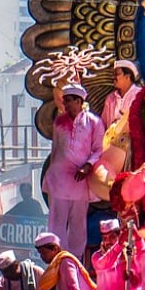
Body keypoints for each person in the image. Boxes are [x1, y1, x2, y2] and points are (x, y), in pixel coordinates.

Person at [42, 83, 104, 259]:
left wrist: (88, 166)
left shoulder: (94, 122)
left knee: (78, 225)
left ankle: (74, 262)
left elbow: (99, 149)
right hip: (59, 180)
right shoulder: (59, 122)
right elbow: (55, 150)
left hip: (80, 181)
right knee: (56, 222)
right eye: (65, 101)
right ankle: (57, 260)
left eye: (69, 101)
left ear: (79, 101)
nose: (66, 104)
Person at [101, 59, 144, 130]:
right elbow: (103, 125)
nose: (113, 77)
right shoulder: (110, 98)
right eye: (113, 75)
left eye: (117, 74)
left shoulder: (139, 95)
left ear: (127, 77)